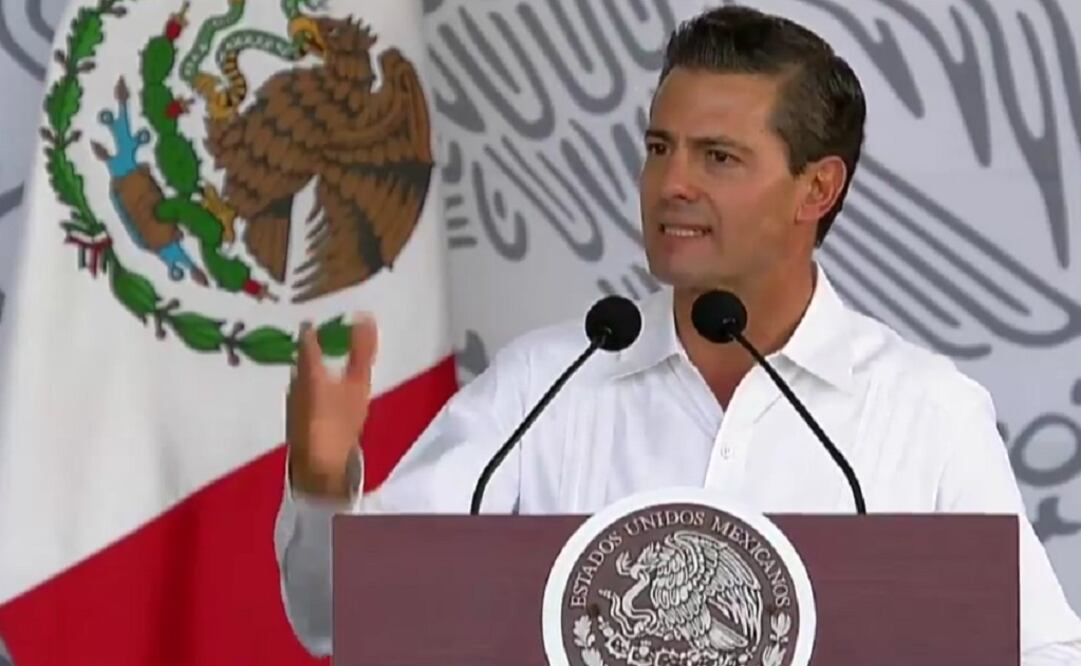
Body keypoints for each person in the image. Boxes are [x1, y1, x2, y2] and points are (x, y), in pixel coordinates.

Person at [274, 5, 1081, 662]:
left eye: (718, 157)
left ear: (816, 188)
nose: (672, 184)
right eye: (659, 148)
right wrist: (317, 485)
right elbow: (340, 622)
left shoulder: (921, 408)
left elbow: (1041, 651)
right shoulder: (543, 387)